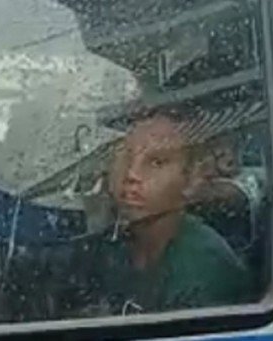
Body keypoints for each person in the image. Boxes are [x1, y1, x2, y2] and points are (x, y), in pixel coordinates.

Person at [87, 106, 253, 314]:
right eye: (126, 158)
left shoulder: (205, 267)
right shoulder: (112, 245)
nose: (131, 174)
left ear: (191, 179)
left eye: (157, 162)